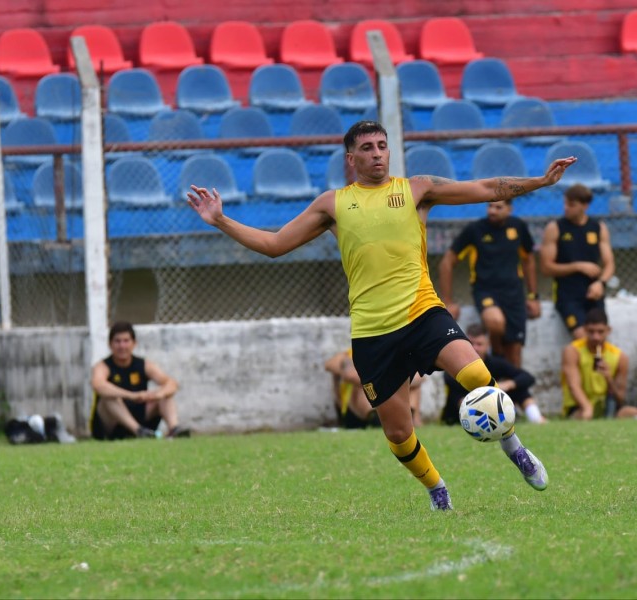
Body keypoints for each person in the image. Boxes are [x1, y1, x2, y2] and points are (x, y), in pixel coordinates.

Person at [187, 120, 576, 510]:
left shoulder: (417, 189)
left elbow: (487, 188)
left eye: (382, 145)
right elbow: (274, 245)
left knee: (476, 375)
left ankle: (515, 448)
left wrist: (541, 182)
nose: (377, 154)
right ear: (351, 158)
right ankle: (436, 489)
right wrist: (221, 220)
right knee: (398, 431)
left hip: (422, 311)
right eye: (368, 147)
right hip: (373, 333)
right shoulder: (332, 204)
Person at [438, 199, 540, 368]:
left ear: (509, 209)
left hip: (515, 295)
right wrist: (447, 301)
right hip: (486, 292)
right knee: (495, 321)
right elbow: (446, 263)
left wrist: (533, 296)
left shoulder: (519, 227)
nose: (492, 211)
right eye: (490, 206)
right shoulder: (475, 230)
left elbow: (529, 260)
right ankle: (496, 357)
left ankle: (511, 389)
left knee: (515, 353)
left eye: (498, 207)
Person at [89, 321, 188, 440]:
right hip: (111, 423)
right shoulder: (102, 366)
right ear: (110, 344)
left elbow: (171, 383)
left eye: (126, 341)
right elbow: (98, 385)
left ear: (134, 343)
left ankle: (174, 429)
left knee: (166, 393)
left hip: (139, 414)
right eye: (117, 341)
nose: (122, 346)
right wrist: (132, 396)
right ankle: (138, 431)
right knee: (108, 397)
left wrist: (158, 394)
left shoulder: (144, 364)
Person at [539, 184, 615, 338]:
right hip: (568, 296)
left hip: (594, 293)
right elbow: (546, 268)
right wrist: (577, 266)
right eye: (565, 203)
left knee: (599, 338)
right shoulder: (555, 228)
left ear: (585, 206)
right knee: (582, 336)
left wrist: (601, 283)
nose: (566, 208)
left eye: (571, 205)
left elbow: (610, 264)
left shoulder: (598, 228)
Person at [441, 323, 547, 426]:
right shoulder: (456, 366)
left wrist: (507, 384)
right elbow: (456, 396)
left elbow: (528, 377)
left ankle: (536, 418)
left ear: (488, 345)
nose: (475, 348)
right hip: (462, 414)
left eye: (479, 344)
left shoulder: (496, 363)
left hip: (495, 410)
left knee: (519, 387)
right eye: (471, 344)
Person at [562, 308, 637, 420]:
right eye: (591, 332)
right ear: (585, 330)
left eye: (600, 332)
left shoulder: (620, 357)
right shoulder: (573, 351)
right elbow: (574, 386)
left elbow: (620, 398)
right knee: (583, 415)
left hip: (608, 407)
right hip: (580, 407)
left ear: (608, 330)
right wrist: (587, 407)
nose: (596, 337)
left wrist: (609, 379)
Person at [325, 348, 425, 428]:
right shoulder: (347, 356)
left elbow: (419, 377)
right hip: (356, 413)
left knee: (411, 384)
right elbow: (350, 375)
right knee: (365, 386)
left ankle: (412, 418)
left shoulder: (390, 354)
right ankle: (375, 417)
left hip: (390, 401)